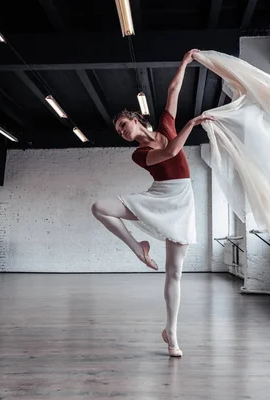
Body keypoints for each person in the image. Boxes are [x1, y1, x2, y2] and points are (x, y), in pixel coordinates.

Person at [91, 49, 214, 357]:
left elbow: (173, 90)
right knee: (99, 207)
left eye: (122, 125)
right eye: (119, 131)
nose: (121, 132)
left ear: (135, 118)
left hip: (182, 201)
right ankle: (138, 248)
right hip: (158, 197)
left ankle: (170, 333)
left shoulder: (166, 125)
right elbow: (171, 153)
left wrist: (185, 62)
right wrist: (193, 124)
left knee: (175, 272)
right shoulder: (138, 154)